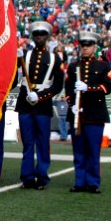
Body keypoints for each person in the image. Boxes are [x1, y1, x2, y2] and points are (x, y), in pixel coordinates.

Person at [15, 21, 64, 190]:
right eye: (36, 35)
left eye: (42, 34)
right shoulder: (24, 55)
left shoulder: (54, 58)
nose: (39, 37)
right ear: (33, 37)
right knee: (28, 143)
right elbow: (13, 74)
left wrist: (41, 95)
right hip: (25, 103)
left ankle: (42, 177)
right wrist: (14, 57)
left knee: (43, 142)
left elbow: (58, 85)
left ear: (48, 37)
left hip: (43, 105)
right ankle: (27, 177)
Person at [65, 31, 111, 193]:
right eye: (83, 46)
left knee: (93, 150)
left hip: (94, 114)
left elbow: (107, 88)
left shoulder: (103, 65)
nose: (85, 48)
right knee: (78, 150)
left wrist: (89, 88)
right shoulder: (73, 66)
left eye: (88, 46)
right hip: (77, 114)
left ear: (94, 47)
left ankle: (93, 182)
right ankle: (79, 181)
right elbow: (68, 89)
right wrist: (71, 103)